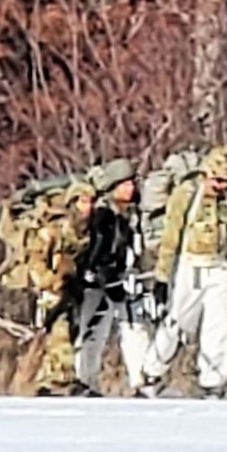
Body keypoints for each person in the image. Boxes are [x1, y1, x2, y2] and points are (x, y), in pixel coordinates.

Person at [152, 145, 227, 396]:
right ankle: (153, 372)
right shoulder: (186, 194)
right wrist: (162, 276)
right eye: (217, 180)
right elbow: (171, 237)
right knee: (179, 322)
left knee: (221, 324)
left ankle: (213, 380)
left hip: (219, 265)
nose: (221, 186)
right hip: (190, 263)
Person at [70, 159, 163, 396]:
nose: (130, 188)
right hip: (95, 283)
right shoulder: (102, 214)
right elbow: (93, 250)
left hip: (120, 279)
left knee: (135, 328)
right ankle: (83, 380)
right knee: (92, 333)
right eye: (124, 183)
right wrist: (98, 273)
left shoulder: (133, 214)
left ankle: (142, 382)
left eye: (132, 182)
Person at [21, 178, 99, 397]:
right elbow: (36, 259)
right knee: (60, 331)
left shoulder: (86, 230)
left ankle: (51, 377)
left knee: (68, 331)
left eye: (91, 202)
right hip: (49, 288)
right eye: (83, 201)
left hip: (70, 287)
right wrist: (49, 282)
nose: (88, 207)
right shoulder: (54, 229)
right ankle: (59, 378)